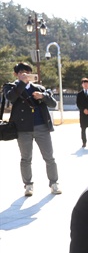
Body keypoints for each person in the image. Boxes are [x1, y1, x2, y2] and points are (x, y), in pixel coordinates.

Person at [3, 62, 61, 196]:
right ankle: (28, 185)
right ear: (16, 74)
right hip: (23, 129)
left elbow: (53, 103)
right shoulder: (10, 87)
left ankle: (54, 183)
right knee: (26, 158)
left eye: (27, 72)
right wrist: (22, 83)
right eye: (21, 73)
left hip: (41, 126)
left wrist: (43, 96)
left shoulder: (39, 87)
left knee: (49, 157)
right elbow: (11, 98)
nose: (25, 75)